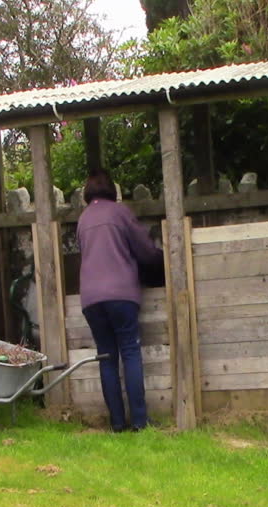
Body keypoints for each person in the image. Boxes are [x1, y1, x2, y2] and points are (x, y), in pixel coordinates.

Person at [77, 168, 163, 432]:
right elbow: (146, 252)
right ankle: (139, 421)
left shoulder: (82, 219)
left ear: (87, 193)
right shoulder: (120, 212)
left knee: (106, 357)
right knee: (129, 351)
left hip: (91, 299)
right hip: (121, 295)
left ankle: (116, 423)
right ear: (112, 190)